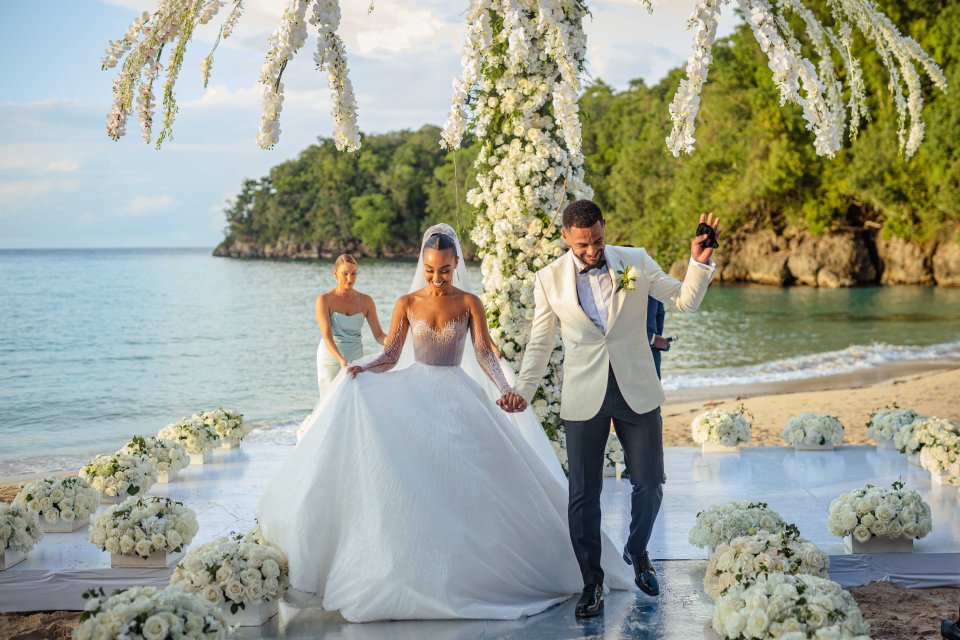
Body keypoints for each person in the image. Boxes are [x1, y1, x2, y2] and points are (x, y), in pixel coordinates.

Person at [257, 224, 632, 623]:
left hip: (458, 395)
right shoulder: (406, 302)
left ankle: (474, 571)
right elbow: (390, 356)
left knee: (473, 480)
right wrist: (361, 371)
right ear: (423, 264)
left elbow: (485, 352)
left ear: (456, 265)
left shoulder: (469, 302)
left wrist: (506, 388)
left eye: (445, 271)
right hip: (416, 394)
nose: (437, 279)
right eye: (431, 270)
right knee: (419, 484)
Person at [507, 199, 721, 618]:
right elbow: (539, 343)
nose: (592, 250)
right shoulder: (548, 279)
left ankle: (637, 550)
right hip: (584, 394)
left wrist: (698, 263)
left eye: (598, 240)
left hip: (636, 389)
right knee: (583, 495)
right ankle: (592, 582)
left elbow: (684, 301)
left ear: (605, 227)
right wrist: (522, 390)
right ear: (566, 236)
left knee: (651, 482)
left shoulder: (635, 261)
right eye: (583, 244)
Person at [315, 254, 386, 395]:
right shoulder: (324, 300)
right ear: (335, 274)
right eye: (345, 274)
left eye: (354, 273)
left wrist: (397, 341)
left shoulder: (366, 301)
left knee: (354, 401)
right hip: (331, 358)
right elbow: (327, 336)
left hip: (355, 358)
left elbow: (379, 335)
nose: (350, 279)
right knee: (331, 404)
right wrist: (341, 360)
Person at [646, 296, 670, 380]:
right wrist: (654, 339)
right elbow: (660, 314)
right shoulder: (654, 285)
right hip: (651, 350)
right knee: (653, 390)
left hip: (651, 350)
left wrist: (655, 339)